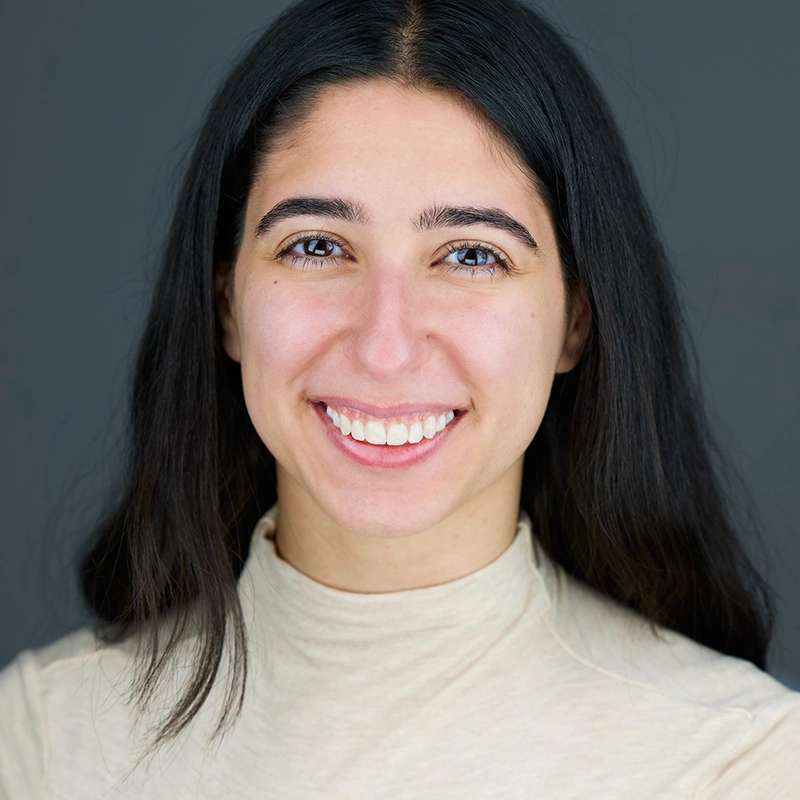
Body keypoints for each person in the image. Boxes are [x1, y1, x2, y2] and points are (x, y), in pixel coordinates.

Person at [1, 0, 798, 796]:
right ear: (226, 304)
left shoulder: (737, 763)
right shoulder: (42, 740)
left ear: (576, 322)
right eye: (316, 245)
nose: (385, 347)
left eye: (472, 256)